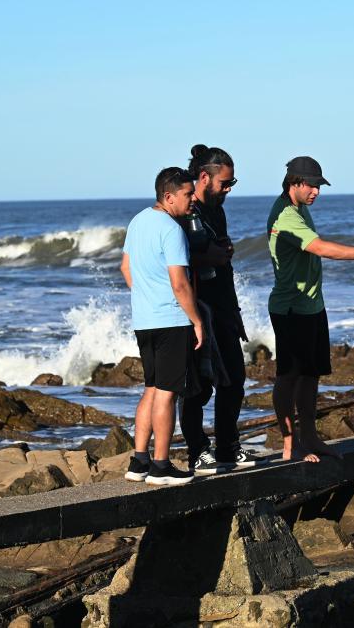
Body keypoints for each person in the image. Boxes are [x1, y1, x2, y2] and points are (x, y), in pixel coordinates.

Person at [267, 156, 354, 462]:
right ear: (294, 183)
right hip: (289, 309)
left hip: (311, 305)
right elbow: (321, 248)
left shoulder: (300, 208)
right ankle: (290, 444)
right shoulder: (285, 216)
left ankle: (310, 438)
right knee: (289, 376)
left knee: (311, 374)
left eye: (318, 186)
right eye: (311, 186)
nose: (316, 192)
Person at [178, 144, 263, 474]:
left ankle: (227, 445)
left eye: (232, 183)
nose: (228, 190)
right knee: (197, 387)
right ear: (203, 177)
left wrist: (235, 311)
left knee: (235, 379)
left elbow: (222, 262)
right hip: (195, 309)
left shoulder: (217, 210)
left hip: (223, 306)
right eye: (225, 183)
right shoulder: (184, 209)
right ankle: (198, 451)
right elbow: (174, 262)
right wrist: (207, 257)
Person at [121, 167, 204, 485]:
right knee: (167, 394)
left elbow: (125, 267)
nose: (193, 199)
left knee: (152, 389)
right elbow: (180, 283)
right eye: (187, 194)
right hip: (171, 320)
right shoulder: (172, 229)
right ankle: (161, 466)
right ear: (169, 197)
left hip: (145, 320)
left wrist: (145, 296)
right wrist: (196, 320)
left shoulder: (138, 221)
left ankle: (139, 461)